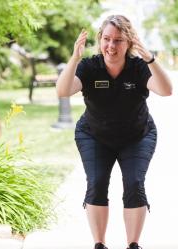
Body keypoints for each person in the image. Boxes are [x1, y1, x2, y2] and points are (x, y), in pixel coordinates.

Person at [56, 15, 173, 249]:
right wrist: (74, 59)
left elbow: (166, 90)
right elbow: (63, 90)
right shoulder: (90, 66)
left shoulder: (138, 67)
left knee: (135, 183)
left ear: (129, 43)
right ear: (100, 40)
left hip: (137, 136)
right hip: (94, 135)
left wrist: (150, 58)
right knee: (97, 182)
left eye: (118, 40)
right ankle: (99, 244)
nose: (111, 46)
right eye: (107, 39)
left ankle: (133, 245)